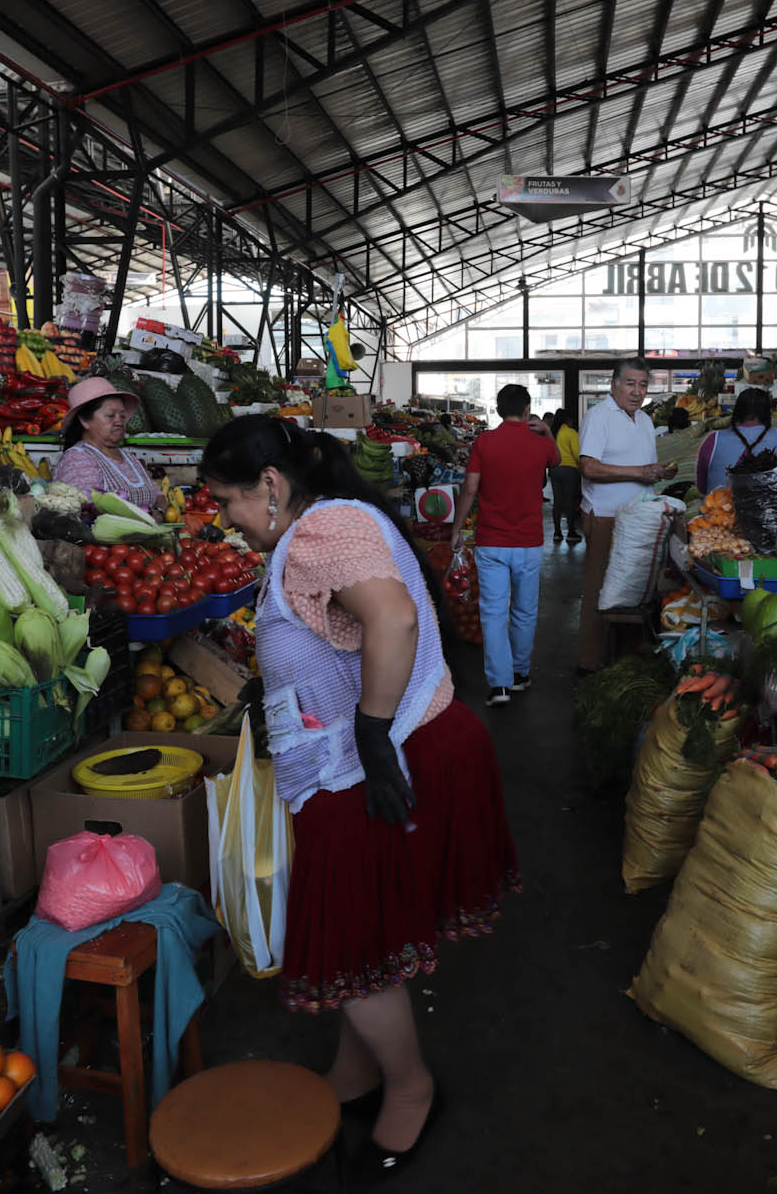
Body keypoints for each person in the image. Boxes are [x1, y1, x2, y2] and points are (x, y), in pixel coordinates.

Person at [199, 416, 518, 1180]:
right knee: (369, 927)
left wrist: (373, 732)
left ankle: (410, 1086)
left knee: (355, 941)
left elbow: (395, 617)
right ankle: (361, 1065)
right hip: (375, 757)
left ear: (270, 484)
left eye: (227, 500)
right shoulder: (323, 525)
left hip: (374, 766)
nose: (225, 518)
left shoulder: (320, 531)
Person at [448, 385, 558, 707]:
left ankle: (500, 685)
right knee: (525, 610)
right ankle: (521, 674)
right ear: (527, 410)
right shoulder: (541, 444)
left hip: (491, 543)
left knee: (493, 614)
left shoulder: (484, 442)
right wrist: (547, 430)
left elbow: (470, 489)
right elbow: (557, 459)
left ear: (498, 411)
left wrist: (456, 529)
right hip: (529, 542)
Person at [576, 359, 676, 673]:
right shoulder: (599, 416)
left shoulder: (645, 420)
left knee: (634, 592)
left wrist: (658, 472)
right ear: (614, 384)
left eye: (643, 385)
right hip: (606, 517)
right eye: (630, 383)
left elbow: (641, 467)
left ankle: (623, 661)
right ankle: (589, 663)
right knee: (600, 590)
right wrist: (639, 472)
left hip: (639, 519)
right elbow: (588, 467)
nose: (637, 391)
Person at [52, 375, 159, 515]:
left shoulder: (130, 458)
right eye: (110, 415)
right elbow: (88, 509)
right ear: (85, 421)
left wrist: (160, 512)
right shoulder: (77, 460)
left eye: (122, 416)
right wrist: (146, 516)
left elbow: (159, 495)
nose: (119, 422)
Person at [694, 387, 777, 491]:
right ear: (768, 413)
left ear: (736, 412)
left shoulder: (713, 440)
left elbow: (702, 487)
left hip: (719, 504)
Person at [550, 410, 582, 547]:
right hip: (569, 470)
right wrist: (581, 467)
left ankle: (557, 532)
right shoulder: (570, 432)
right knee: (569, 500)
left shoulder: (553, 433)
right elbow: (577, 454)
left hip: (554, 469)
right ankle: (571, 532)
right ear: (568, 420)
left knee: (557, 501)